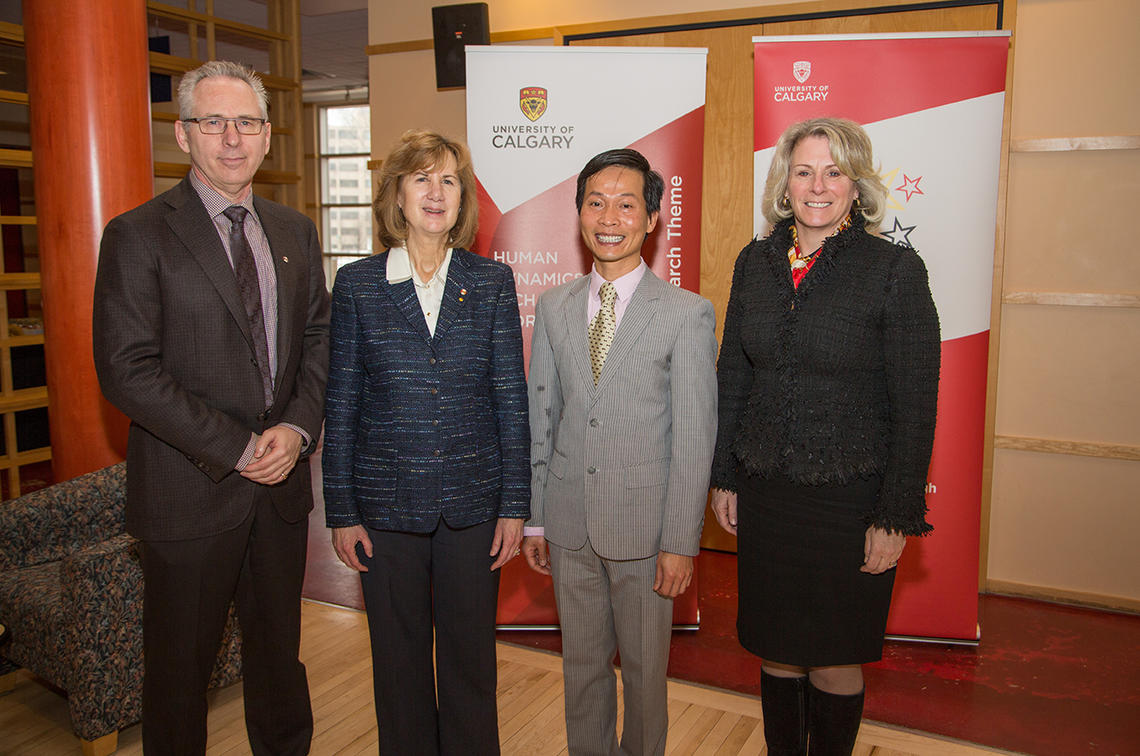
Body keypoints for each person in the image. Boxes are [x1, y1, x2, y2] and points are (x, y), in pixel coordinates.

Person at [93, 61, 328, 754]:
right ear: (183, 135)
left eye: (247, 122)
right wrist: (235, 446)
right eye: (213, 122)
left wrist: (296, 426)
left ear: (266, 138)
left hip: (280, 493)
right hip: (187, 495)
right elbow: (127, 370)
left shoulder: (293, 232)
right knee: (178, 675)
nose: (232, 138)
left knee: (279, 661)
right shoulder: (138, 235)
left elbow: (318, 338)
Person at [710, 117, 940, 755]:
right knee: (778, 655)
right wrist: (725, 474)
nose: (817, 185)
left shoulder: (893, 269)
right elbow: (733, 375)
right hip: (768, 496)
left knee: (835, 661)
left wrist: (895, 515)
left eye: (834, 171)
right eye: (804, 170)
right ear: (784, 182)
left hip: (850, 503)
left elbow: (916, 403)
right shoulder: (755, 262)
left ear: (856, 184)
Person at [322, 129, 529, 755]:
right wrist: (341, 510)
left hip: (473, 506)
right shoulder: (358, 285)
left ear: (462, 199)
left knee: (471, 663)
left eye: (448, 181)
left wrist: (515, 504)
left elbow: (510, 398)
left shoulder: (490, 281)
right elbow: (343, 401)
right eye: (422, 178)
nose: (436, 193)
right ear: (397, 193)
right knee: (398, 663)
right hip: (385, 509)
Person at [522, 148, 718, 756]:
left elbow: (693, 436)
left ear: (653, 218)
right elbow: (542, 416)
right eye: (595, 202)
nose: (610, 217)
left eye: (627, 203)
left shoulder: (686, 315)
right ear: (579, 212)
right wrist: (535, 517)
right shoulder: (554, 306)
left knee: (643, 679)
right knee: (580, 673)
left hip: (647, 533)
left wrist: (681, 541)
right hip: (570, 525)